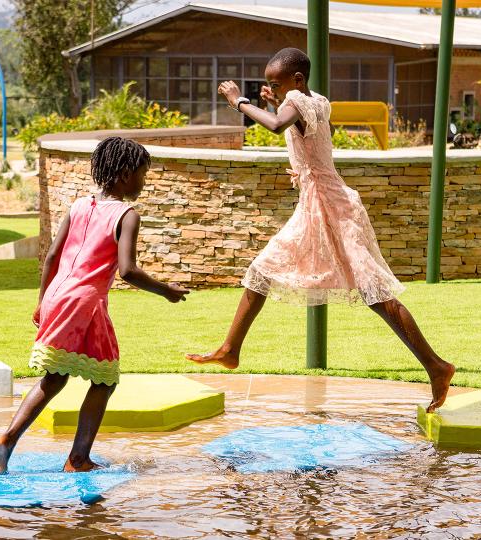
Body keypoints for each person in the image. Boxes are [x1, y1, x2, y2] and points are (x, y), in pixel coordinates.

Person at [187, 47, 455, 412]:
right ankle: (231, 349)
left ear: (297, 80)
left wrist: (240, 102)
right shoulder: (314, 99)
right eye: (270, 86)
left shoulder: (296, 100)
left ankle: (437, 367)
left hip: (330, 206)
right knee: (262, 270)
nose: (275, 91)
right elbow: (292, 122)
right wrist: (274, 101)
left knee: (374, 292)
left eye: (276, 85)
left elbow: (279, 123)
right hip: (319, 204)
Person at [0, 137, 189, 474]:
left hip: (57, 296)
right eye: (142, 174)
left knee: (54, 377)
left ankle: (6, 442)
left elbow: (52, 256)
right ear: (125, 174)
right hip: (85, 302)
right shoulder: (127, 214)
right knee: (105, 379)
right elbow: (127, 270)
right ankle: (78, 458)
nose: (143, 181)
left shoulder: (79, 205)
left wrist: (42, 303)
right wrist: (165, 290)